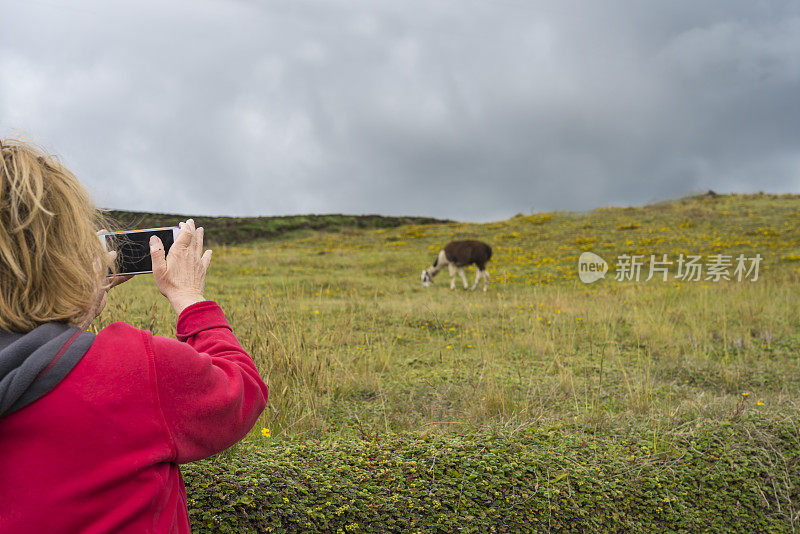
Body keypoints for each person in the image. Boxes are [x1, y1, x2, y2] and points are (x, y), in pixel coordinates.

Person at [0, 138, 268, 533]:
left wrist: (76, 307)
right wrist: (190, 298)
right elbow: (240, 395)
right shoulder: (133, 368)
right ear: (65, 253)